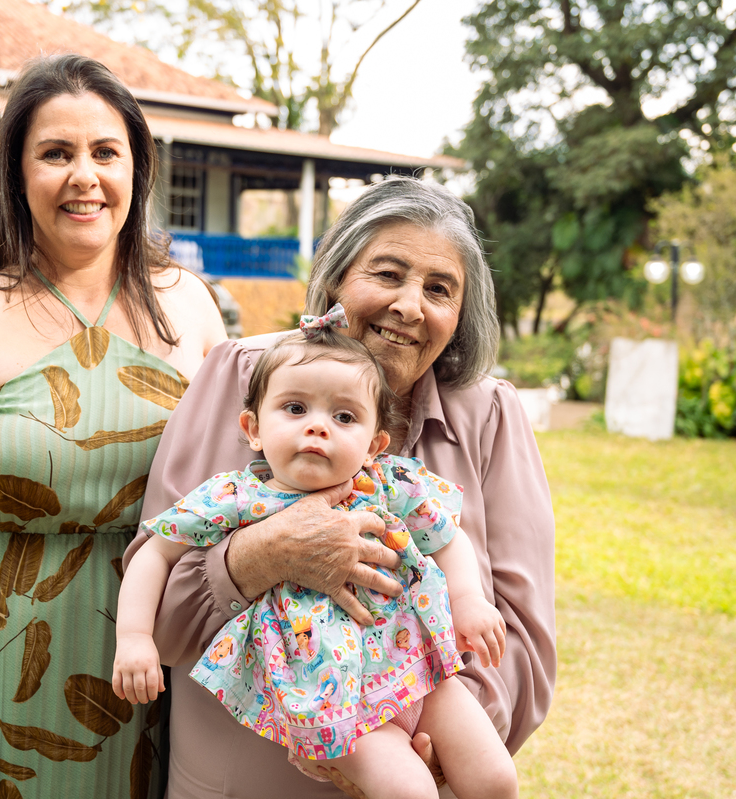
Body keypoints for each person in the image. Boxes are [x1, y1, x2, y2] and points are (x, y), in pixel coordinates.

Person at [125, 176, 556, 798]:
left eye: (439, 289)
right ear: (335, 280)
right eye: (386, 274)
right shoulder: (245, 376)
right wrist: (264, 555)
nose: (410, 305)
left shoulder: (490, 415)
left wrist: (435, 752)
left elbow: (521, 637)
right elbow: (156, 609)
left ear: (459, 317)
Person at [0, 53, 226, 799]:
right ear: (18, 173)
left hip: (147, 681)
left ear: (138, 169)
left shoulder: (190, 307)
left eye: (105, 152)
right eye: (55, 153)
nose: (84, 176)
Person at [113, 309, 516, 799]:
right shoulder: (237, 498)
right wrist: (134, 637)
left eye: (344, 417)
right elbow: (154, 554)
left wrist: (469, 599)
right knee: (411, 791)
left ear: (375, 444)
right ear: (253, 427)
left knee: (496, 779)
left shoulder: (390, 484)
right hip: (329, 697)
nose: (318, 428)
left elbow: (448, 537)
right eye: (296, 409)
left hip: (418, 668)